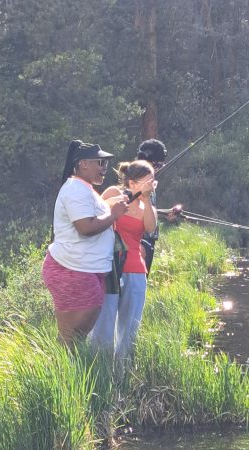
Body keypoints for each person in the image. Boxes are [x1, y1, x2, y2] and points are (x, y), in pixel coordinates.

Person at [42, 140, 128, 348]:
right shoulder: (75, 190)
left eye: (106, 163)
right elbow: (85, 227)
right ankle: (60, 375)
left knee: (74, 339)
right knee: (70, 339)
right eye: (99, 162)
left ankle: (66, 374)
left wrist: (114, 206)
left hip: (84, 270)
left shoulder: (85, 189)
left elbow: (93, 215)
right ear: (83, 164)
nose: (104, 167)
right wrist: (113, 215)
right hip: (72, 270)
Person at [90, 160, 157, 362]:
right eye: (147, 180)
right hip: (110, 269)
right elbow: (95, 213)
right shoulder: (112, 193)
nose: (151, 184)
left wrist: (145, 198)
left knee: (129, 329)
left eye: (152, 181)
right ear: (132, 181)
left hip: (136, 270)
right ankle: (99, 370)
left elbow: (151, 227)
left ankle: (123, 373)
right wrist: (121, 200)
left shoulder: (146, 205)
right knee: (104, 324)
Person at [136, 139, 167, 274]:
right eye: (158, 165)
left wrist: (166, 213)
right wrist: (139, 244)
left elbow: (145, 208)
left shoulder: (149, 182)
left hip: (150, 241)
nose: (159, 168)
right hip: (141, 242)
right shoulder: (134, 181)